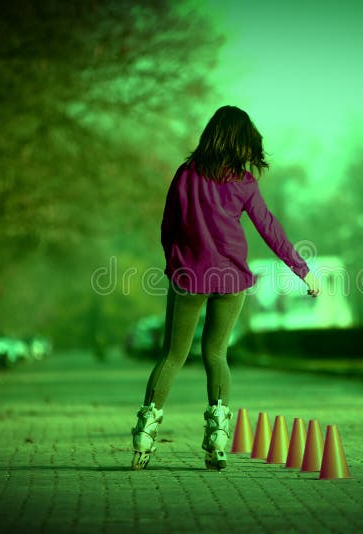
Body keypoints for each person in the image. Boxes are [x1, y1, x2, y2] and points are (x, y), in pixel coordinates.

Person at [131, 105, 321, 471]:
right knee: (216, 355)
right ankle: (217, 437)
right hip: (232, 279)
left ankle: (144, 434)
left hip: (188, 277)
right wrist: (304, 271)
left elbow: (167, 225)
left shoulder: (186, 176)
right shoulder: (244, 183)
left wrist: (175, 263)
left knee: (173, 355)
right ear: (240, 141)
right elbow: (270, 229)